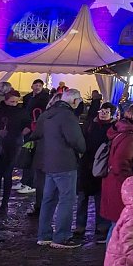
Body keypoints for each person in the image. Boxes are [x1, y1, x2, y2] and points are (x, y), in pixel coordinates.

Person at [30, 88, 86, 248]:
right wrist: (83, 149)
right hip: (64, 162)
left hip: (48, 162)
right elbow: (76, 140)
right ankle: (62, 236)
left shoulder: (48, 113)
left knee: (48, 199)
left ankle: (44, 235)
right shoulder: (68, 116)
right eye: (79, 101)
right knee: (66, 200)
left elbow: (37, 134)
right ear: (74, 101)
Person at [0, 89, 31, 214]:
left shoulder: (21, 112)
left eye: (16, 102)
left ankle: (4, 204)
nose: (14, 104)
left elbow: (28, 125)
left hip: (12, 146)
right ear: (6, 100)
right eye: (12, 101)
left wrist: (25, 130)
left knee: (7, 175)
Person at [101, 104, 133, 229]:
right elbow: (120, 163)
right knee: (119, 225)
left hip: (119, 184)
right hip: (122, 186)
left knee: (118, 224)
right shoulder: (129, 136)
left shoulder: (127, 132)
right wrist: (131, 184)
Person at [77, 101, 116, 242]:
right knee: (82, 198)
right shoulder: (89, 125)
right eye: (102, 111)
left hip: (102, 166)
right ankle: (79, 226)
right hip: (86, 165)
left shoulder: (113, 128)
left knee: (100, 198)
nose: (103, 114)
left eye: (107, 112)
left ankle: (102, 227)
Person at [19, 78, 49, 196]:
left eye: (39, 86)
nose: (37, 87)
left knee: (32, 155)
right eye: (36, 85)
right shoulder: (27, 97)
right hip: (27, 128)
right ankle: (24, 181)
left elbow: (40, 115)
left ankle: (30, 183)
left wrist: (32, 127)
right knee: (26, 154)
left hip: (35, 129)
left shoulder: (44, 98)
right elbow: (25, 112)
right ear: (32, 86)